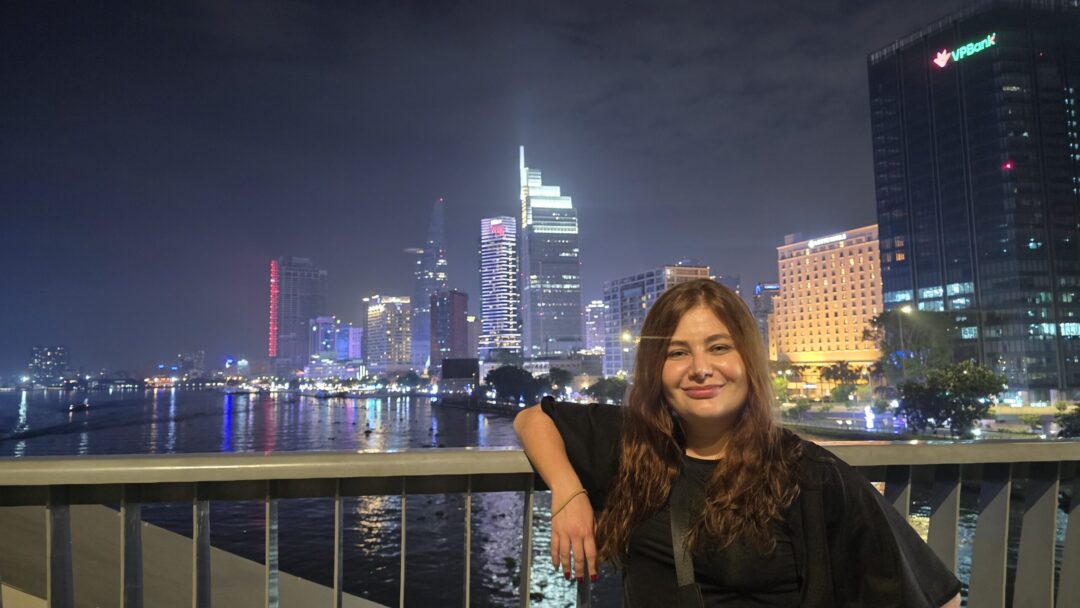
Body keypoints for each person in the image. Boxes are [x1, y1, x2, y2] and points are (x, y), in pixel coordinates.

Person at [514, 279, 962, 607]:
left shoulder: (809, 475)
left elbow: (939, 599)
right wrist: (568, 493)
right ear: (656, 369)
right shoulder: (636, 445)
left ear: (747, 360)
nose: (700, 368)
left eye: (719, 348)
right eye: (677, 352)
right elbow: (534, 419)